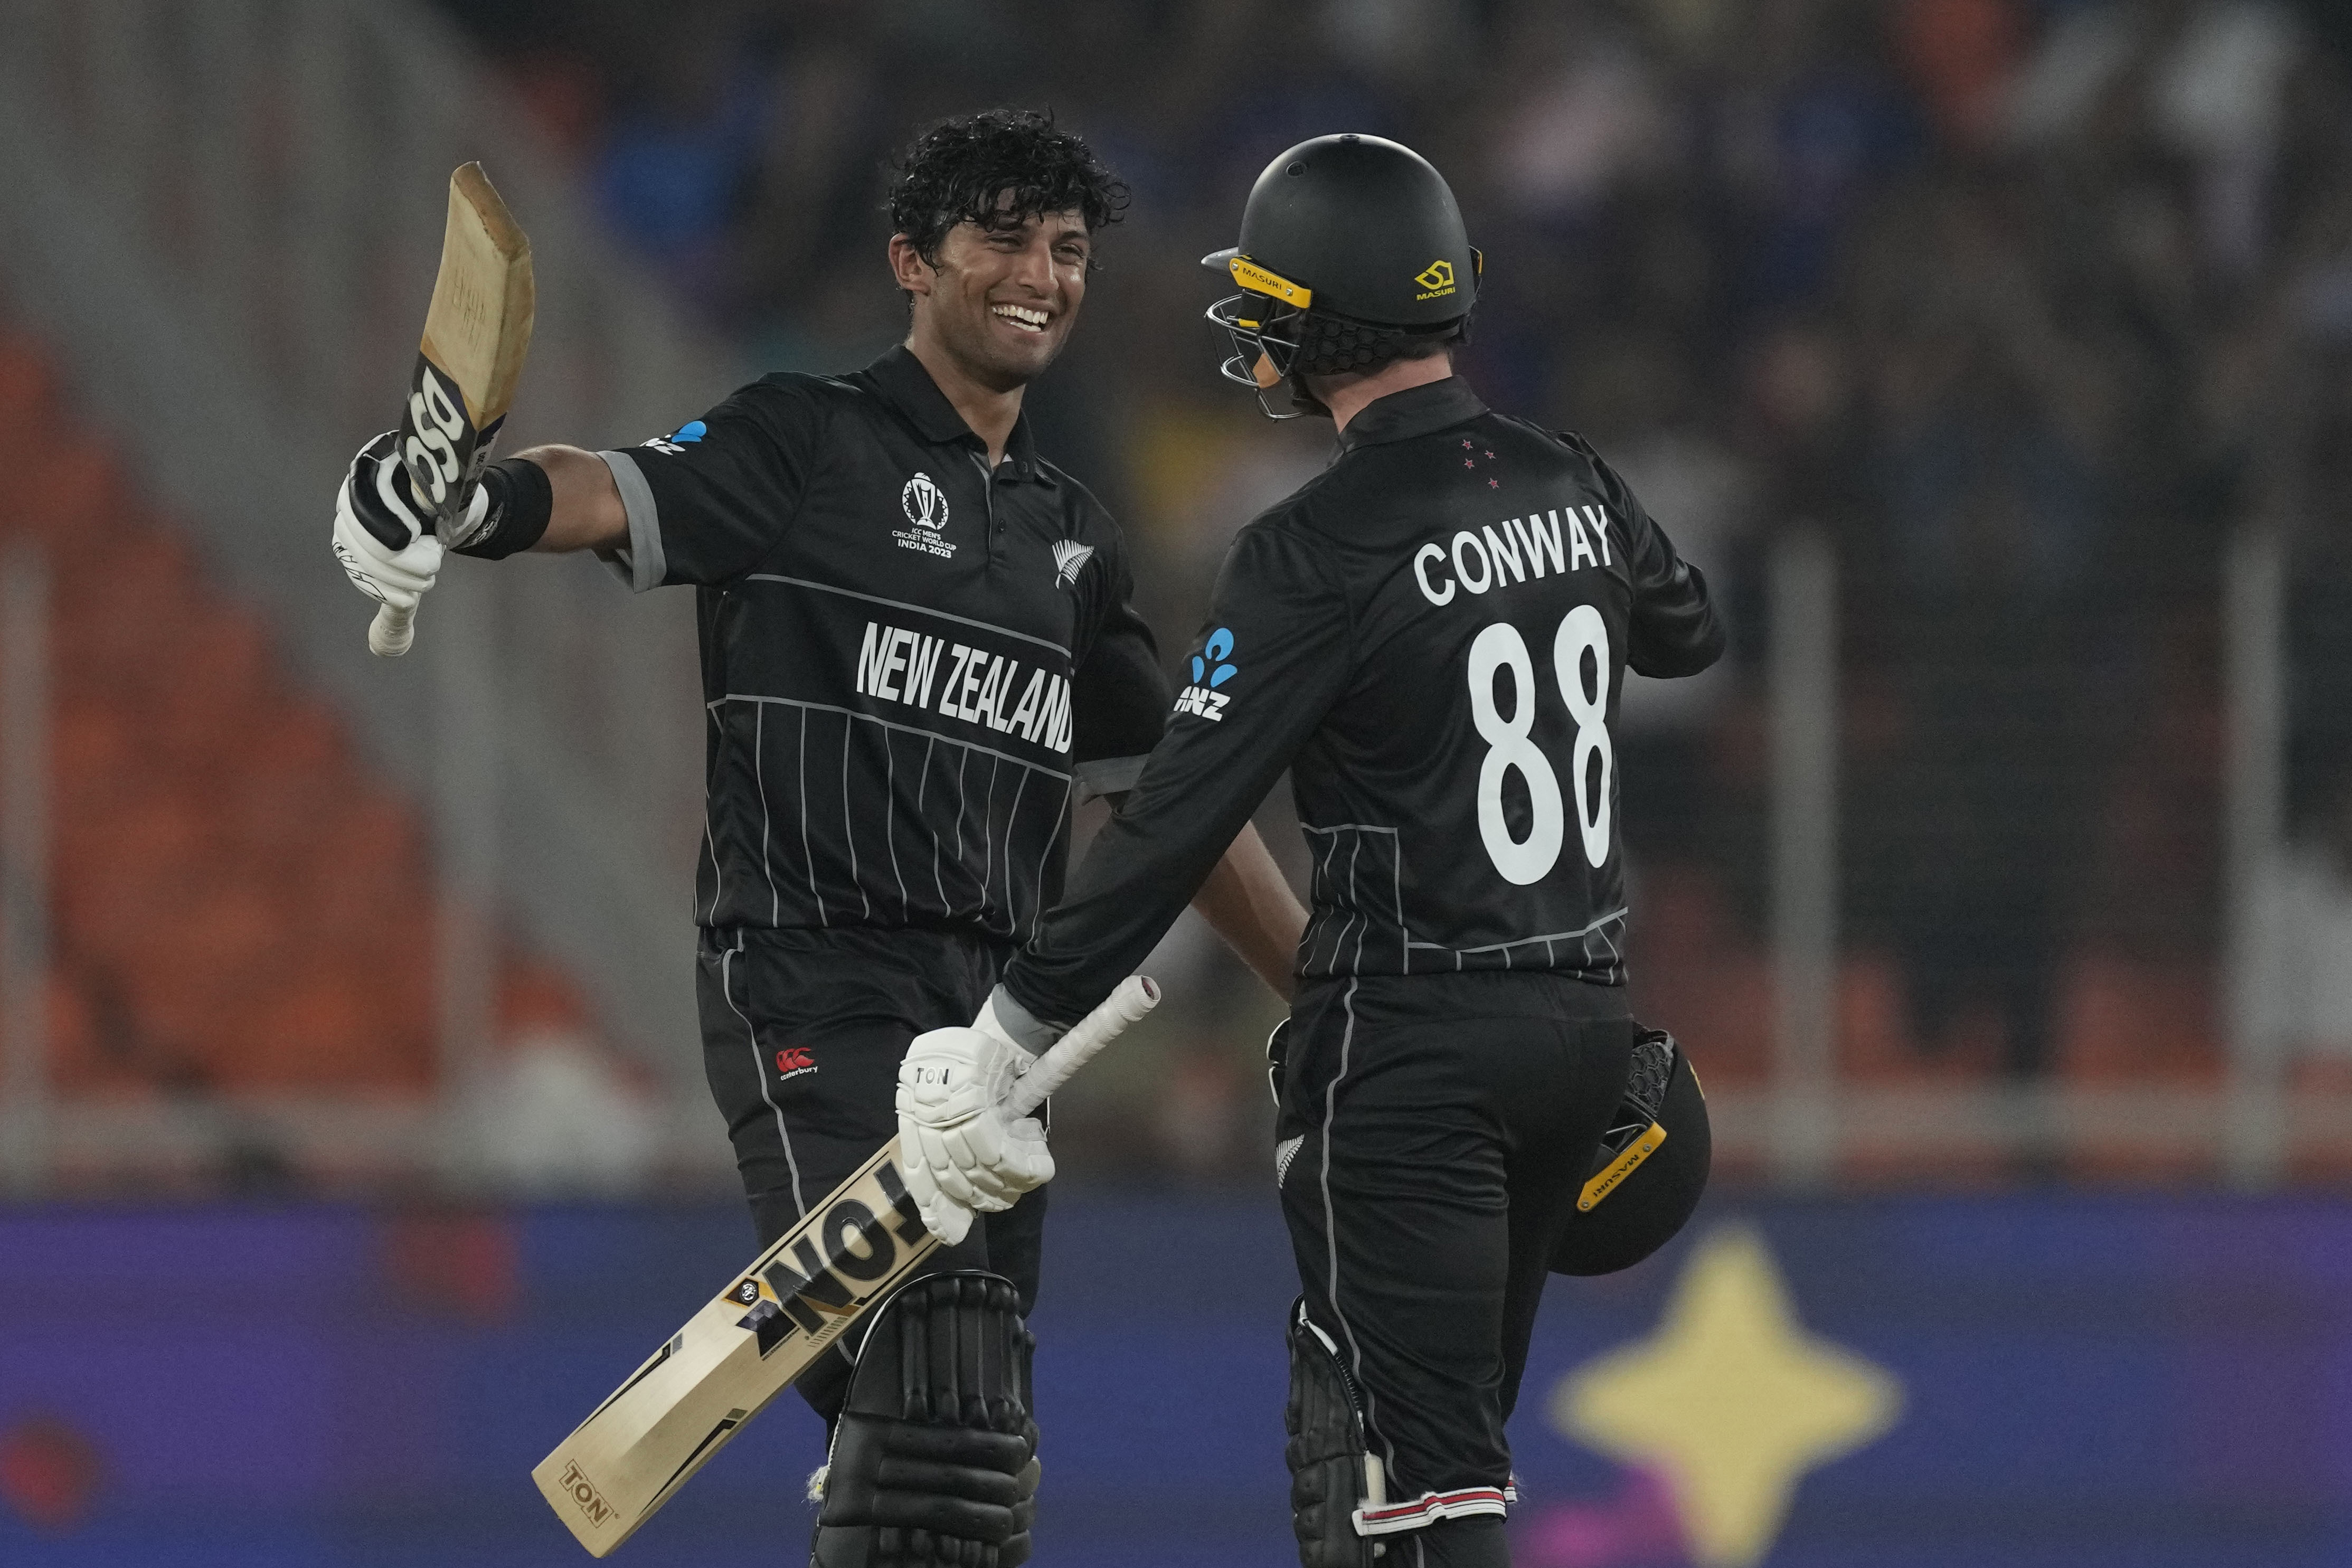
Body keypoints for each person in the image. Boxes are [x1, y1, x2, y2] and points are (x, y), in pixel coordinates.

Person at [330, 109, 1306, 1566]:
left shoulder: (1074, 542)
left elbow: (1177, 806)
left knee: (968, 1446)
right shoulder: (803, 439)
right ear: (913, 260)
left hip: (1001, 1036)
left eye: (1066, 249)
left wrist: (1328, 988)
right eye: (1001, 240)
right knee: (928, 1382)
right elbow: (605, 488)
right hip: (813, 988)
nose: (1040, 275)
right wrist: (469, 505)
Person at [894, 134, 1720, 1568]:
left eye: (1273, 298)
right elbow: (1686, 629)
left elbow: (1174, 819)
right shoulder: (1572, 476)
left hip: (1411, 1052)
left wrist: (1006, 1037)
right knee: (1445, 1451)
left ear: (1328, 321)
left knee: (1410, 1480)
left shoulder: (1312, 548)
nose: (1253, 324)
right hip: (1585, 1028)